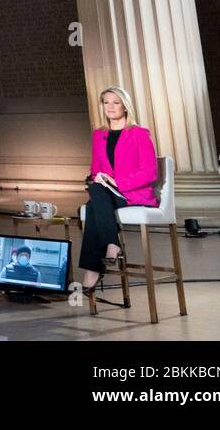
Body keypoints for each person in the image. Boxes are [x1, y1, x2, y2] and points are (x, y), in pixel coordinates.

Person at [79, 86, 159, 295]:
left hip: (133, 193)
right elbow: (95, 168)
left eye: (116, 102)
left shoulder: (139, 134)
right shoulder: (99, 135)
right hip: (106, 192)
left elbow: (149, 172)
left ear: (125, 105)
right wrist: (98, 177)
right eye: (106, 102)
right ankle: (112, 245)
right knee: (96, 189)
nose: (111, 107)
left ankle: (93, 269)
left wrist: (117, 182)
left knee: (92, 207)